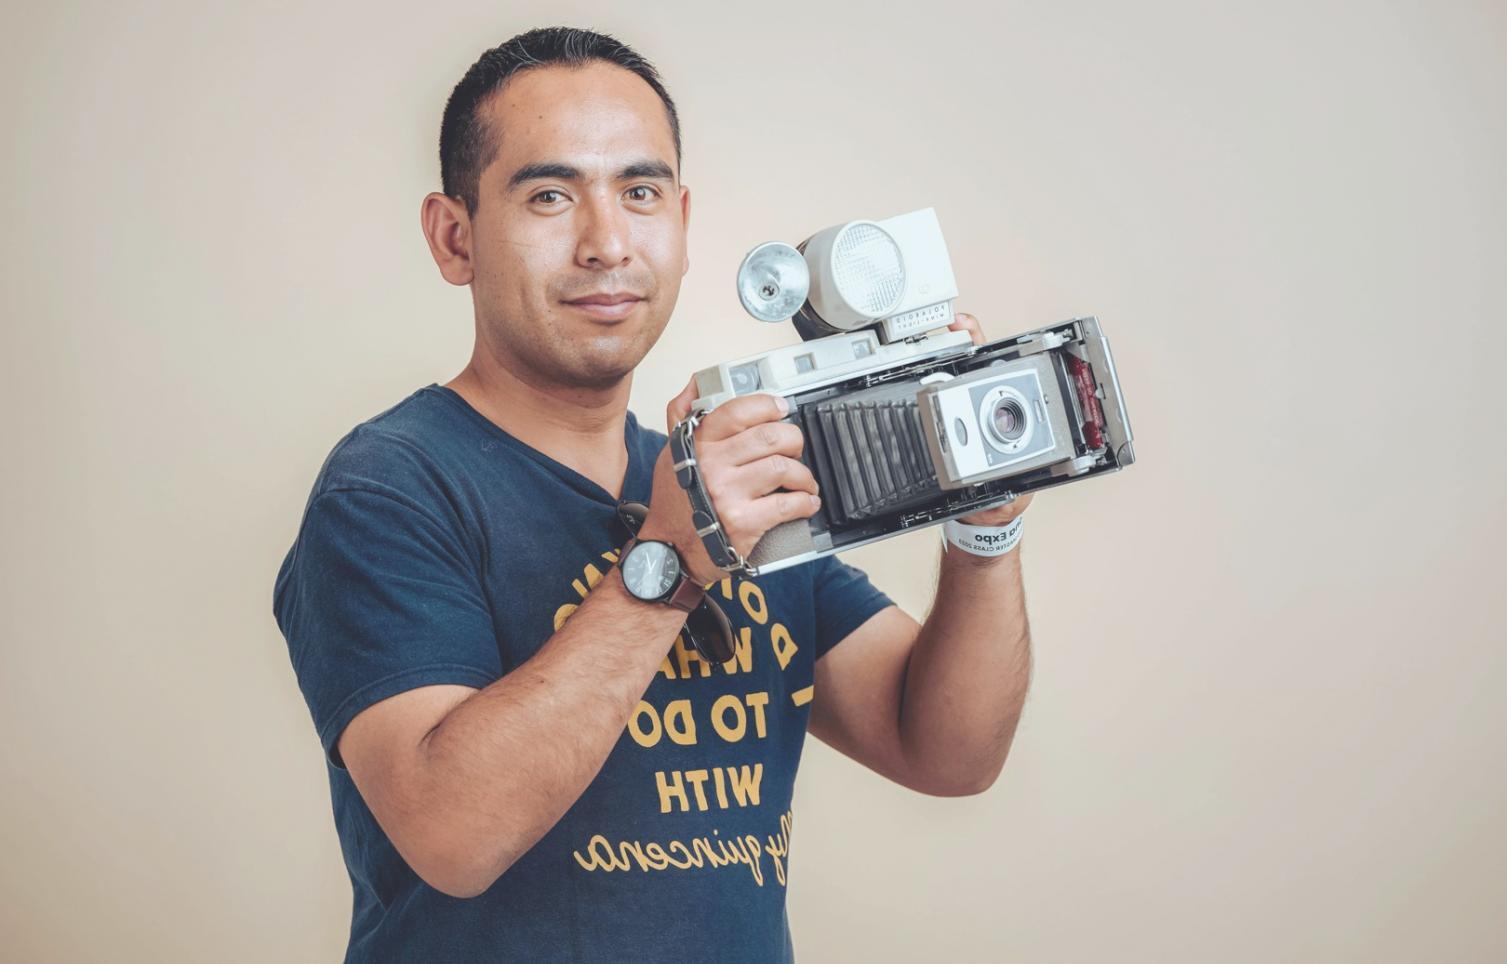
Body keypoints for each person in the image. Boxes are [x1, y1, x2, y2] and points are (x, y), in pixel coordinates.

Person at [272, 26, 1034, 964]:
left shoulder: (731, 477)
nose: (605, 243)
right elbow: (452, 836)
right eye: (549, 195)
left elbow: (944, 751)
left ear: (680, 219)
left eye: (638, 193)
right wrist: (675, 558)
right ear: (454, 235)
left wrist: (983, 526)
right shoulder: (389, 486)